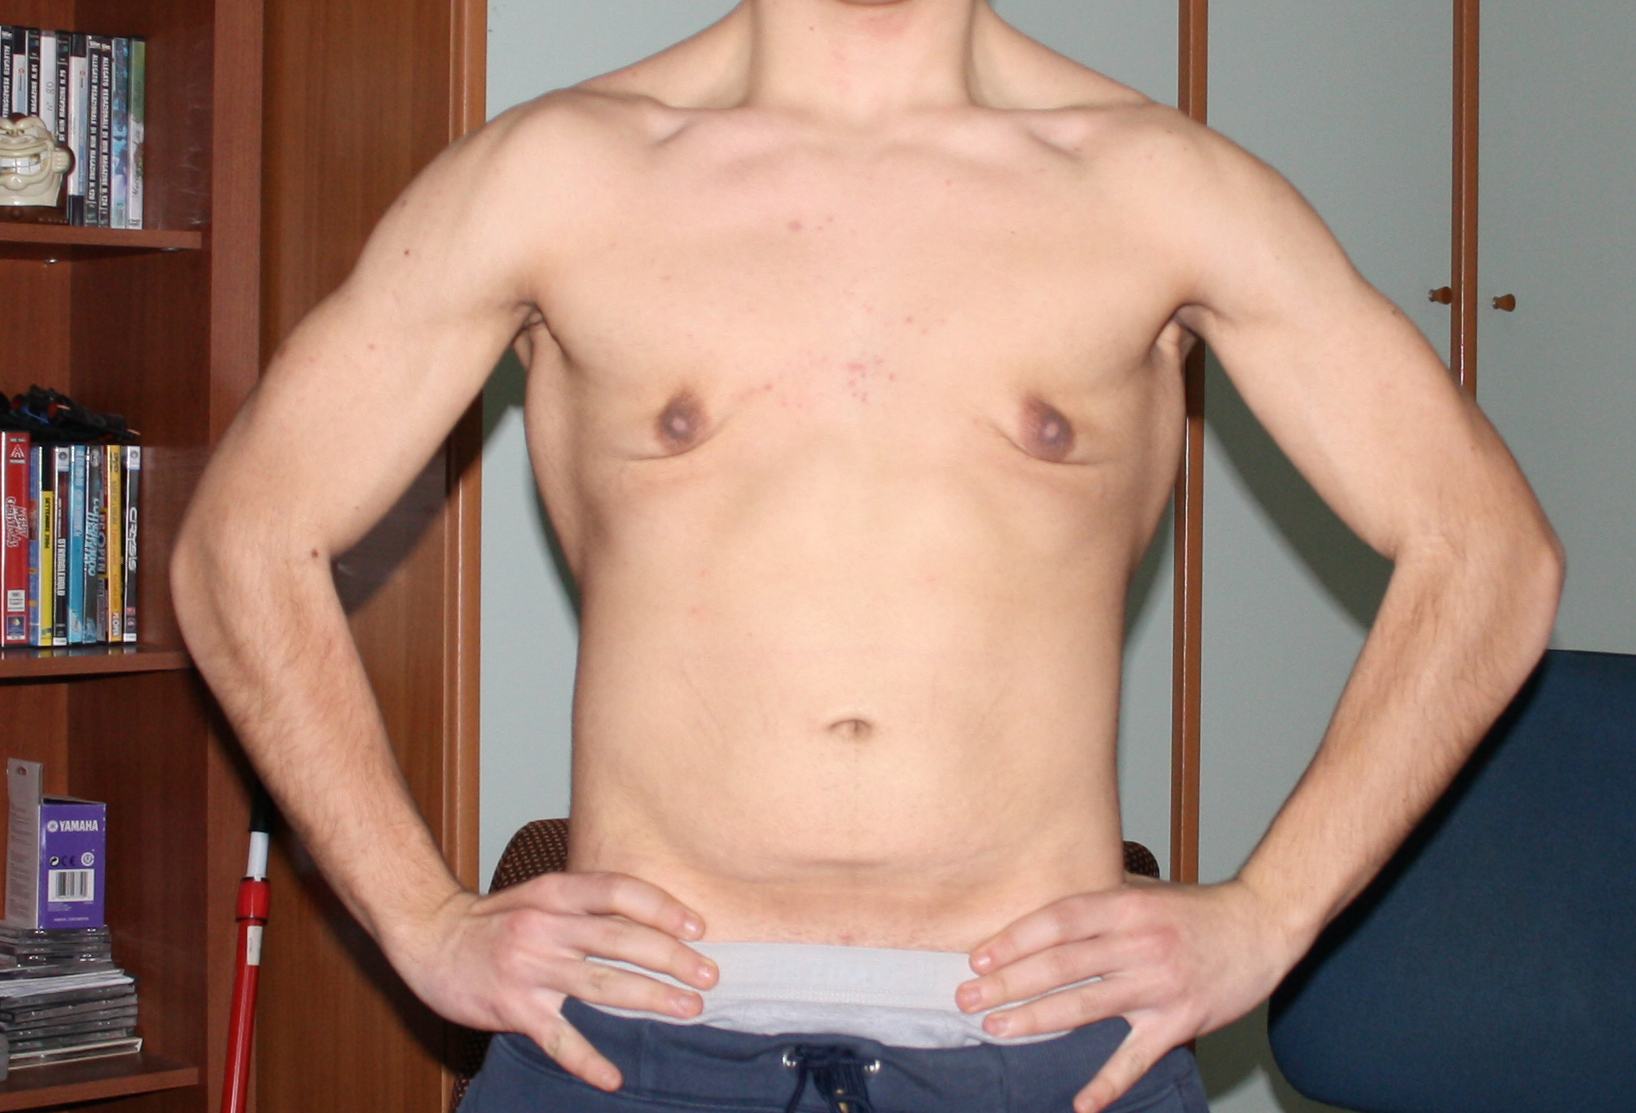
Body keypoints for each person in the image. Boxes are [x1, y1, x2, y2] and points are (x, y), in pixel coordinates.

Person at [171, 1, 1562, 1111]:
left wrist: (1267, 914)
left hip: (1046, 1056)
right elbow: (244, 540)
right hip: (628, 1050)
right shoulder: (555, 176)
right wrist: (421, 920)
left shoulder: (1159, 188)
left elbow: (1487, 550)